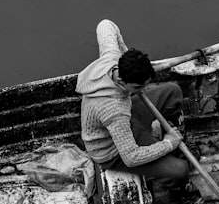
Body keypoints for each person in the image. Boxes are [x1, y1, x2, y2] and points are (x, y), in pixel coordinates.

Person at [75, 19, 189, 194]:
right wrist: (168, 143)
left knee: (172, 92)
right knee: (180, 170)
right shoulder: (113, 109)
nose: (142, 91)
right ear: (121, 81)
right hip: (112, 151)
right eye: (138, 87)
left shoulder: (112, 59)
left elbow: (106, 25)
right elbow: (131, 157)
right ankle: (179, 192)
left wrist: (127, 55)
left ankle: (177, 142)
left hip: (126, 120)